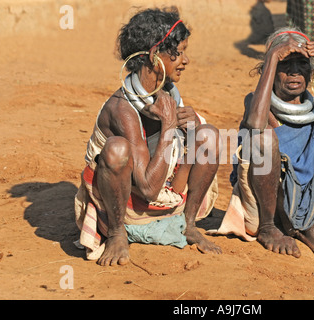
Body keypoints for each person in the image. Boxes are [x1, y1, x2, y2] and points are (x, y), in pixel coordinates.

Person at [209, 27, 314, 270]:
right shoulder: (256, 103)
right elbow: (255, 124)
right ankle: (267, 229)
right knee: (264, 139)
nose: (294, 73)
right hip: (262, 204)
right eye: (285, 65)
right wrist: (273, 57)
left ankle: (313, 228)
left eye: (302, 65)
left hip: (304, 201)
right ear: (270, 71)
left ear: (311, 71)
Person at [74, 7, 222, 267]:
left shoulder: (169, 93)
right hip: (127, 204)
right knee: (117, 149)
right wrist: (168, 124)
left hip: (166, 197)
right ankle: (118, 233)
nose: (185, 61)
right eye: (178, 53)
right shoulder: (121, 109)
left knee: (208, 134)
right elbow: (148, 188)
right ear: (154, 56)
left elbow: (175, 156)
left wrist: (183, 125)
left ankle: (187, 224)